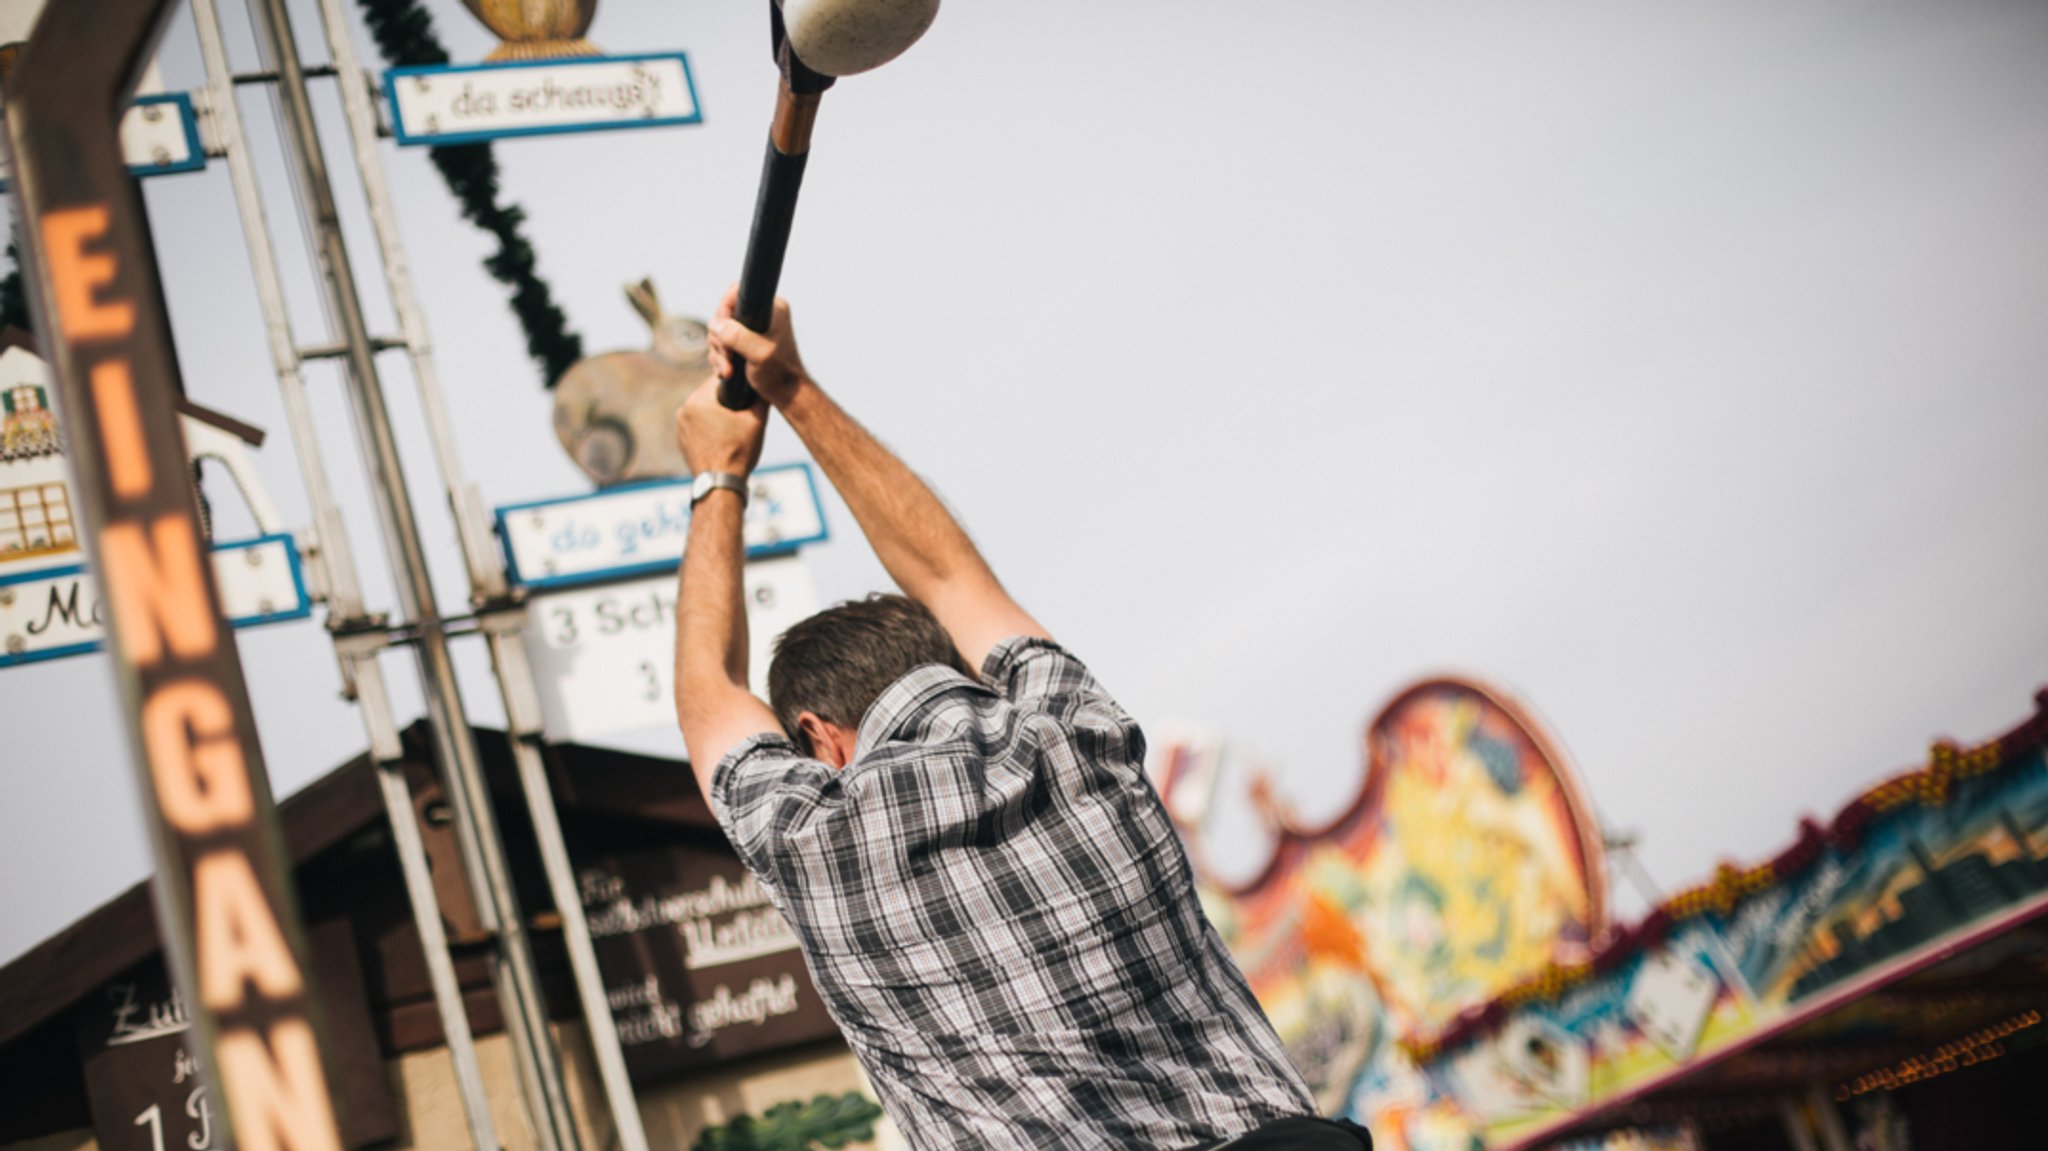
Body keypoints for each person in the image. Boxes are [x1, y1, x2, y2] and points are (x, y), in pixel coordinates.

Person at [671, 287, 1370, 1151]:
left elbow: (708, 692)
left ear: (819, 736)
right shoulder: (1074, 732)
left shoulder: (814, 842)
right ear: (949, 664)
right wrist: (796, 390)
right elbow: (953, 581)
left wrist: (718, 472)